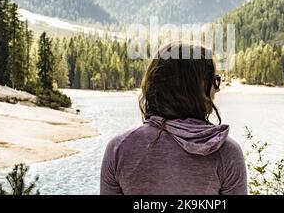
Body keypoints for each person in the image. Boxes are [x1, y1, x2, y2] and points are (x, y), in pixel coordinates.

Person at [100, 42, 248, 195]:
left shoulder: (119, 149)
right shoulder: (227, 153)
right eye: (215, 81)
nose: (216, 91)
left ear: (154, 84)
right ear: (201, 88)